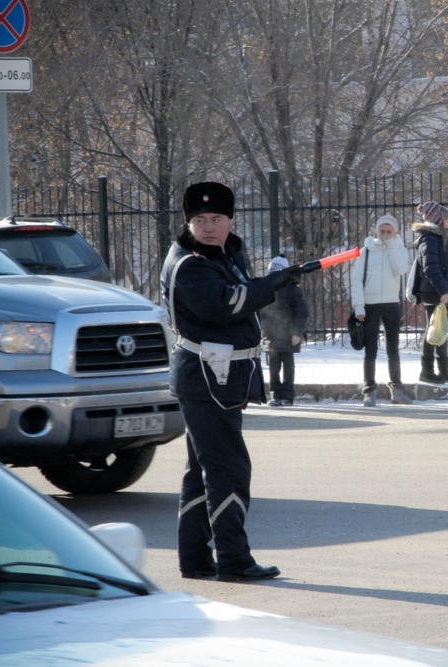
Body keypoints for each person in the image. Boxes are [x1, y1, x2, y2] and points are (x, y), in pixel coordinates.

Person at [159, 181, 302, 582]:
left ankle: (195, 558)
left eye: (216, 219)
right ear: (188, 222)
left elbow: (236, 291)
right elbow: (228, 302)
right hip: (208, 378)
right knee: (228, 469)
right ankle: (233, 559)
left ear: (229, 221)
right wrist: (274, 283)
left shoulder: (219, 255)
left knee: (201, 469)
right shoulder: (190, 263)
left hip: (214, 377)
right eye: (200, 220)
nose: (208, 227)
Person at [350, 213, 412, 406]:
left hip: (392, 303)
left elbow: (402, 269)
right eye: (382, 231)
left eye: (389, 231)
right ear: (376, 231)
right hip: (370, 305)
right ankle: (369, 390)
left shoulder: (399, 248)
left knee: (393, 349)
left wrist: (393, 244)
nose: (385, 234)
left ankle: (397, 390)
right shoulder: (367, 250)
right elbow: (356, 280)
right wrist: (359, 306)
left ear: (396, 232)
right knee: (370, 350)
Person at [411, 201, 448, 385]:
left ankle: (443, 370)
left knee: (441, 330)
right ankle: (427, 371)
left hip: (440, 291)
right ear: (438, 220)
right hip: (435, 292)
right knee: (434, 330)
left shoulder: (439, 237)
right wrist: (444, 290)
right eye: (447, 219)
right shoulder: (429, 239)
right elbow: (431, 268)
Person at [260, 253, 309, 406]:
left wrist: (297, 332)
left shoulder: (293, 290)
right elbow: (260, 311)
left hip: (288, 335)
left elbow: (302, 312)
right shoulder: (265, 288)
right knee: (273, 368)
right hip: (270, 335)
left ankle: (288, 396)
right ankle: (275, 395)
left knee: (288, 367)